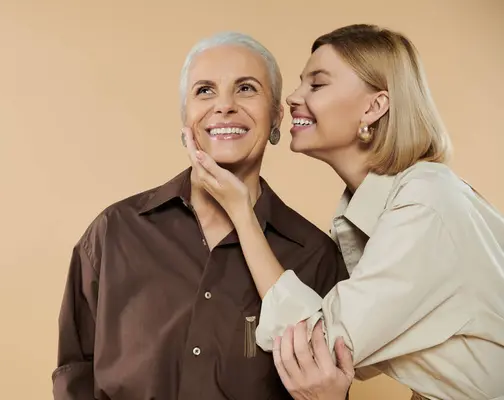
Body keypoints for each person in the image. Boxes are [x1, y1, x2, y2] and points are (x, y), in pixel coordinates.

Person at [183, 24, 504, 400]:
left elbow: (317, 348)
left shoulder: (427, 204)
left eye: (316, 85)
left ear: (374, 106)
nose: (292, 98)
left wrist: (241, 213)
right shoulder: (363, 219)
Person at [51, 31, 351, 400]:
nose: (224, 106)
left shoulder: (314, 255)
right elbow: (74, 373)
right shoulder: (114, 233)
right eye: (204, 91)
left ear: (276, 117)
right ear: (185, 118)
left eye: (246, 89)